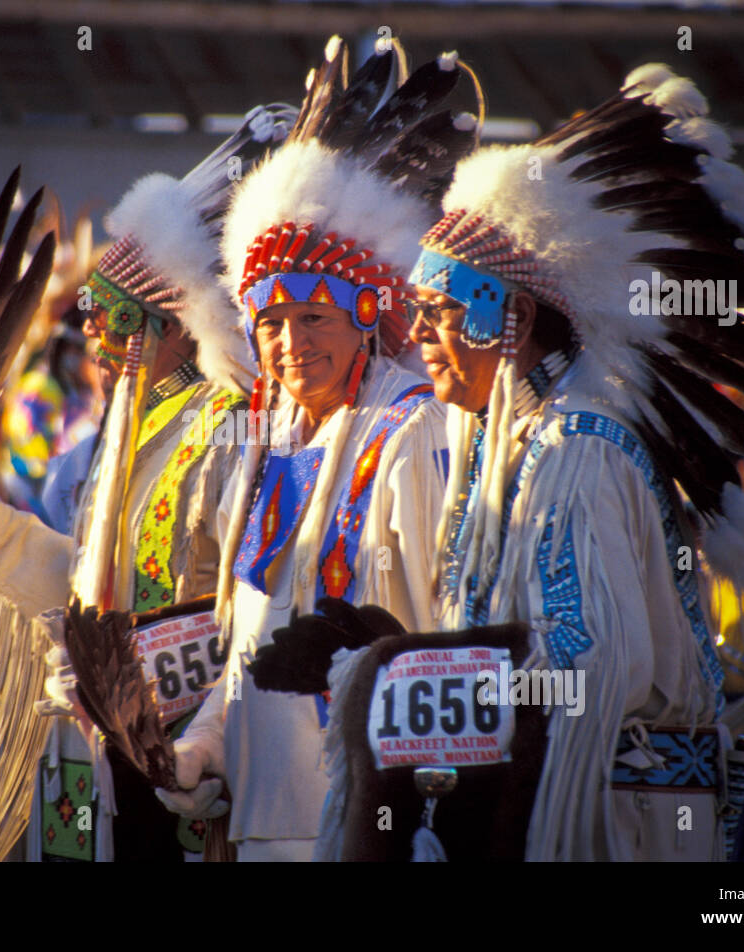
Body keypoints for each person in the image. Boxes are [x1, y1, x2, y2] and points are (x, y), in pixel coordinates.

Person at [399, 64, 744, 860]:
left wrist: (427, 681)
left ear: (511, 319)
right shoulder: (505, 446)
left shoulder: (580, 450)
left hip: (604, 818)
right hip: (541, 796)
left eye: (440, 310)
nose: (420, 333)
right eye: (418, 312)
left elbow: (594, 660)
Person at [0, 103, 295, 861]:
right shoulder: (127, 426)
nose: (99, 345)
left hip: (192, 751)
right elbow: (93, 596)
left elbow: (253, 611)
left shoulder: (229, 425)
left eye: (119, 322)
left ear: (177, 323)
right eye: (97, 324)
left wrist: (204, 737)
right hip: (107, 737)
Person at [155, 37, 475, 861]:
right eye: (271, 322)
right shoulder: (264, 451)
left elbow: (442, 639)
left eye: (315, 318)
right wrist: (200, 750)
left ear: (367, 316)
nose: (290, 344)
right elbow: (249, 657)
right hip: (263, 828)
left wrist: (432, 816)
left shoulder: (409, 438)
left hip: (365, 824)